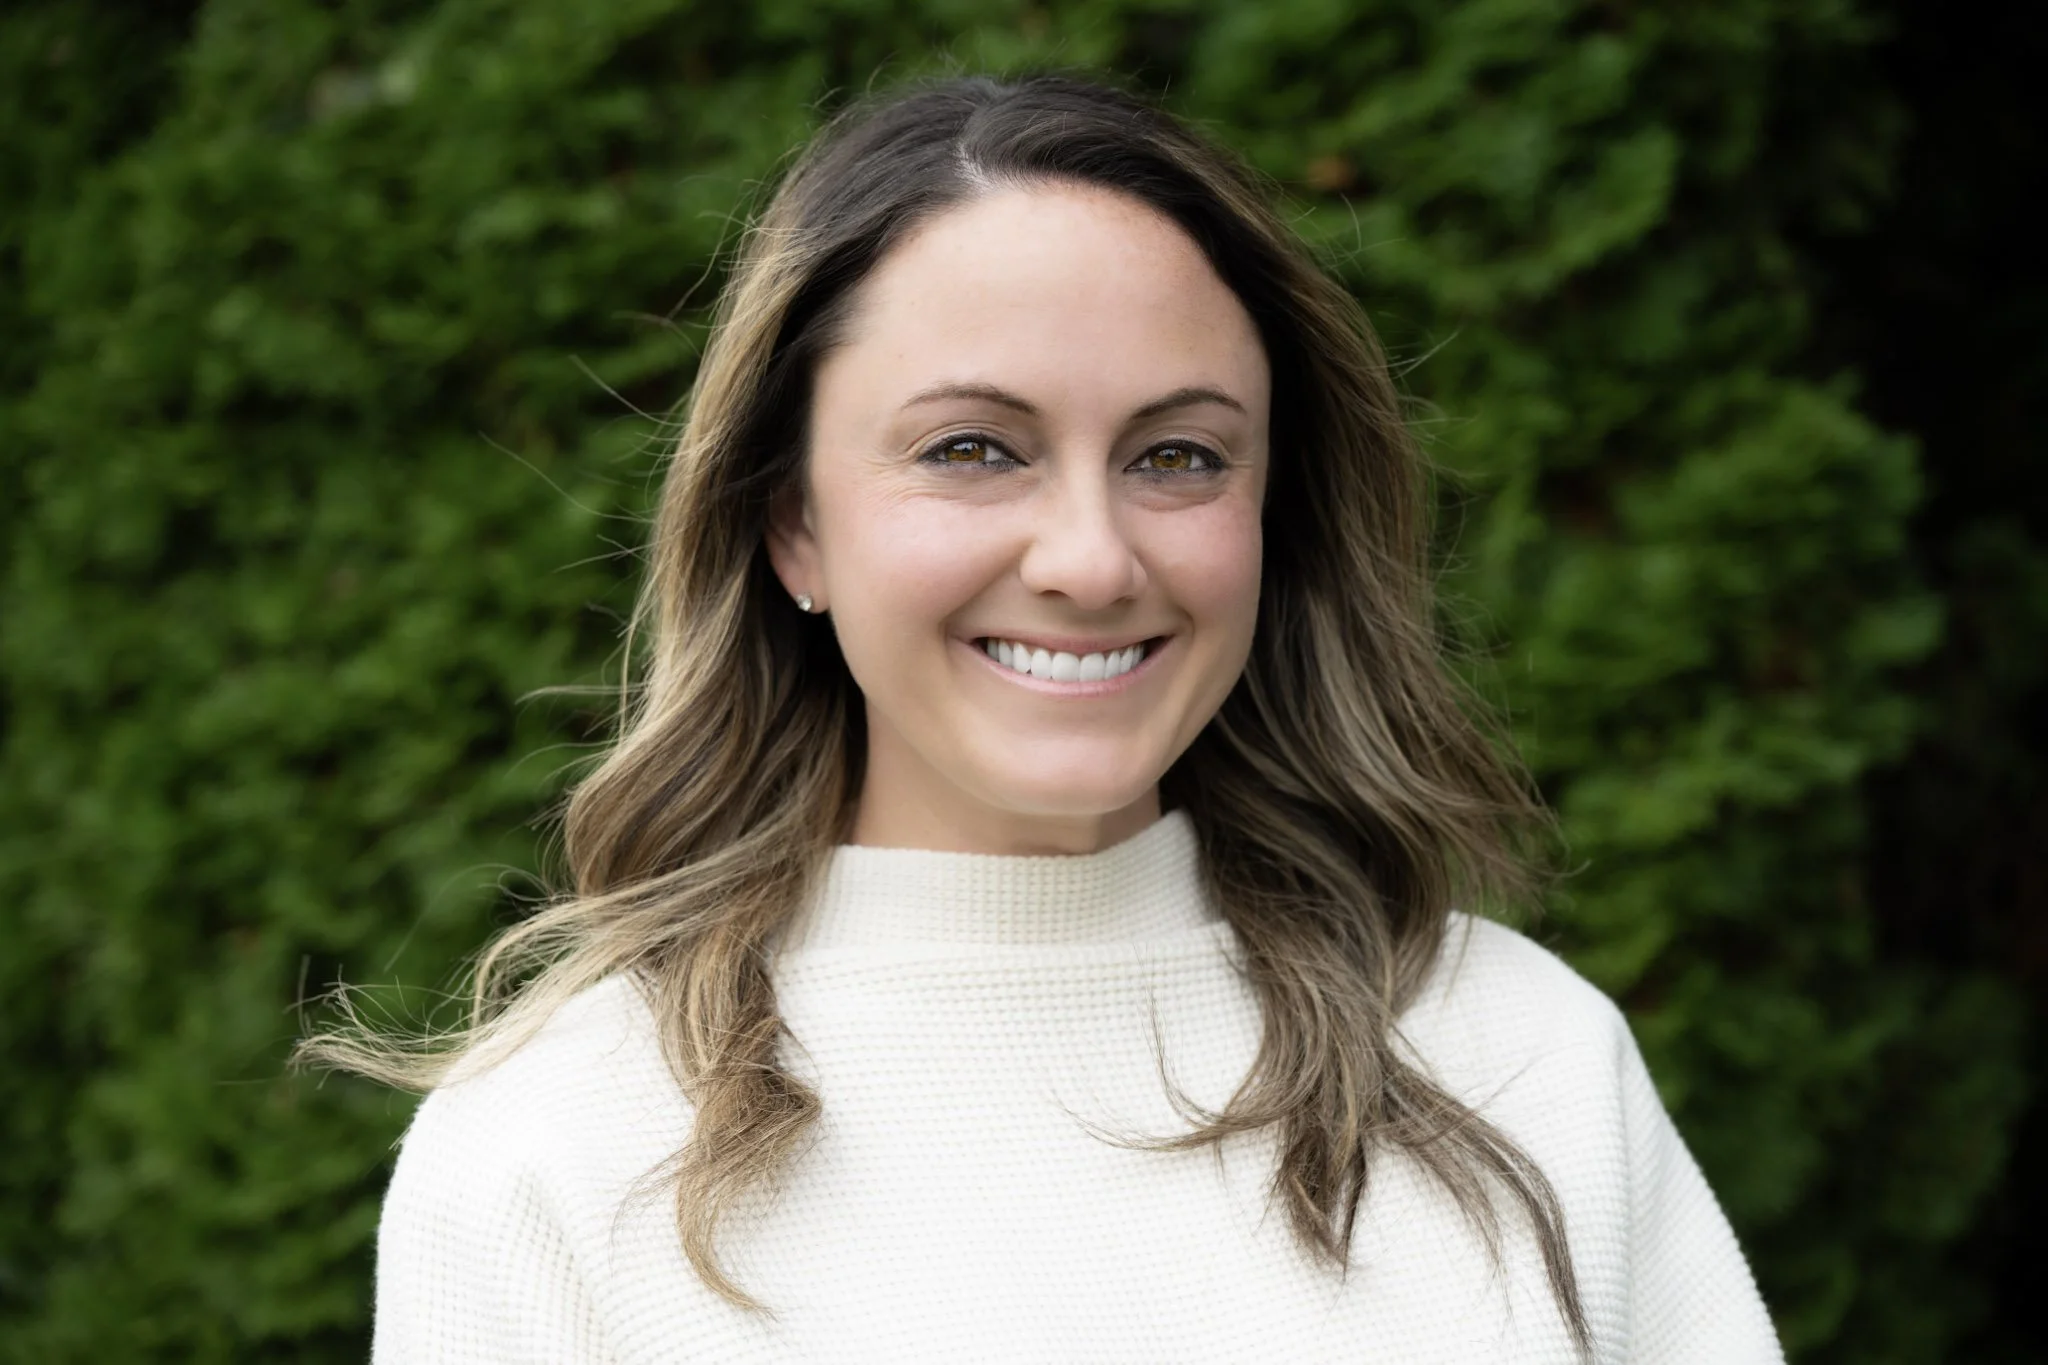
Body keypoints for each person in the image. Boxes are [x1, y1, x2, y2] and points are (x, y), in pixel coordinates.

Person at [310, 74, 1784, 1363]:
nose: (1091, 558)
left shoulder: (1519, 1056)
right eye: (972, 449)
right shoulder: (559, 1150)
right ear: (793, 528)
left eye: (1180, 457)